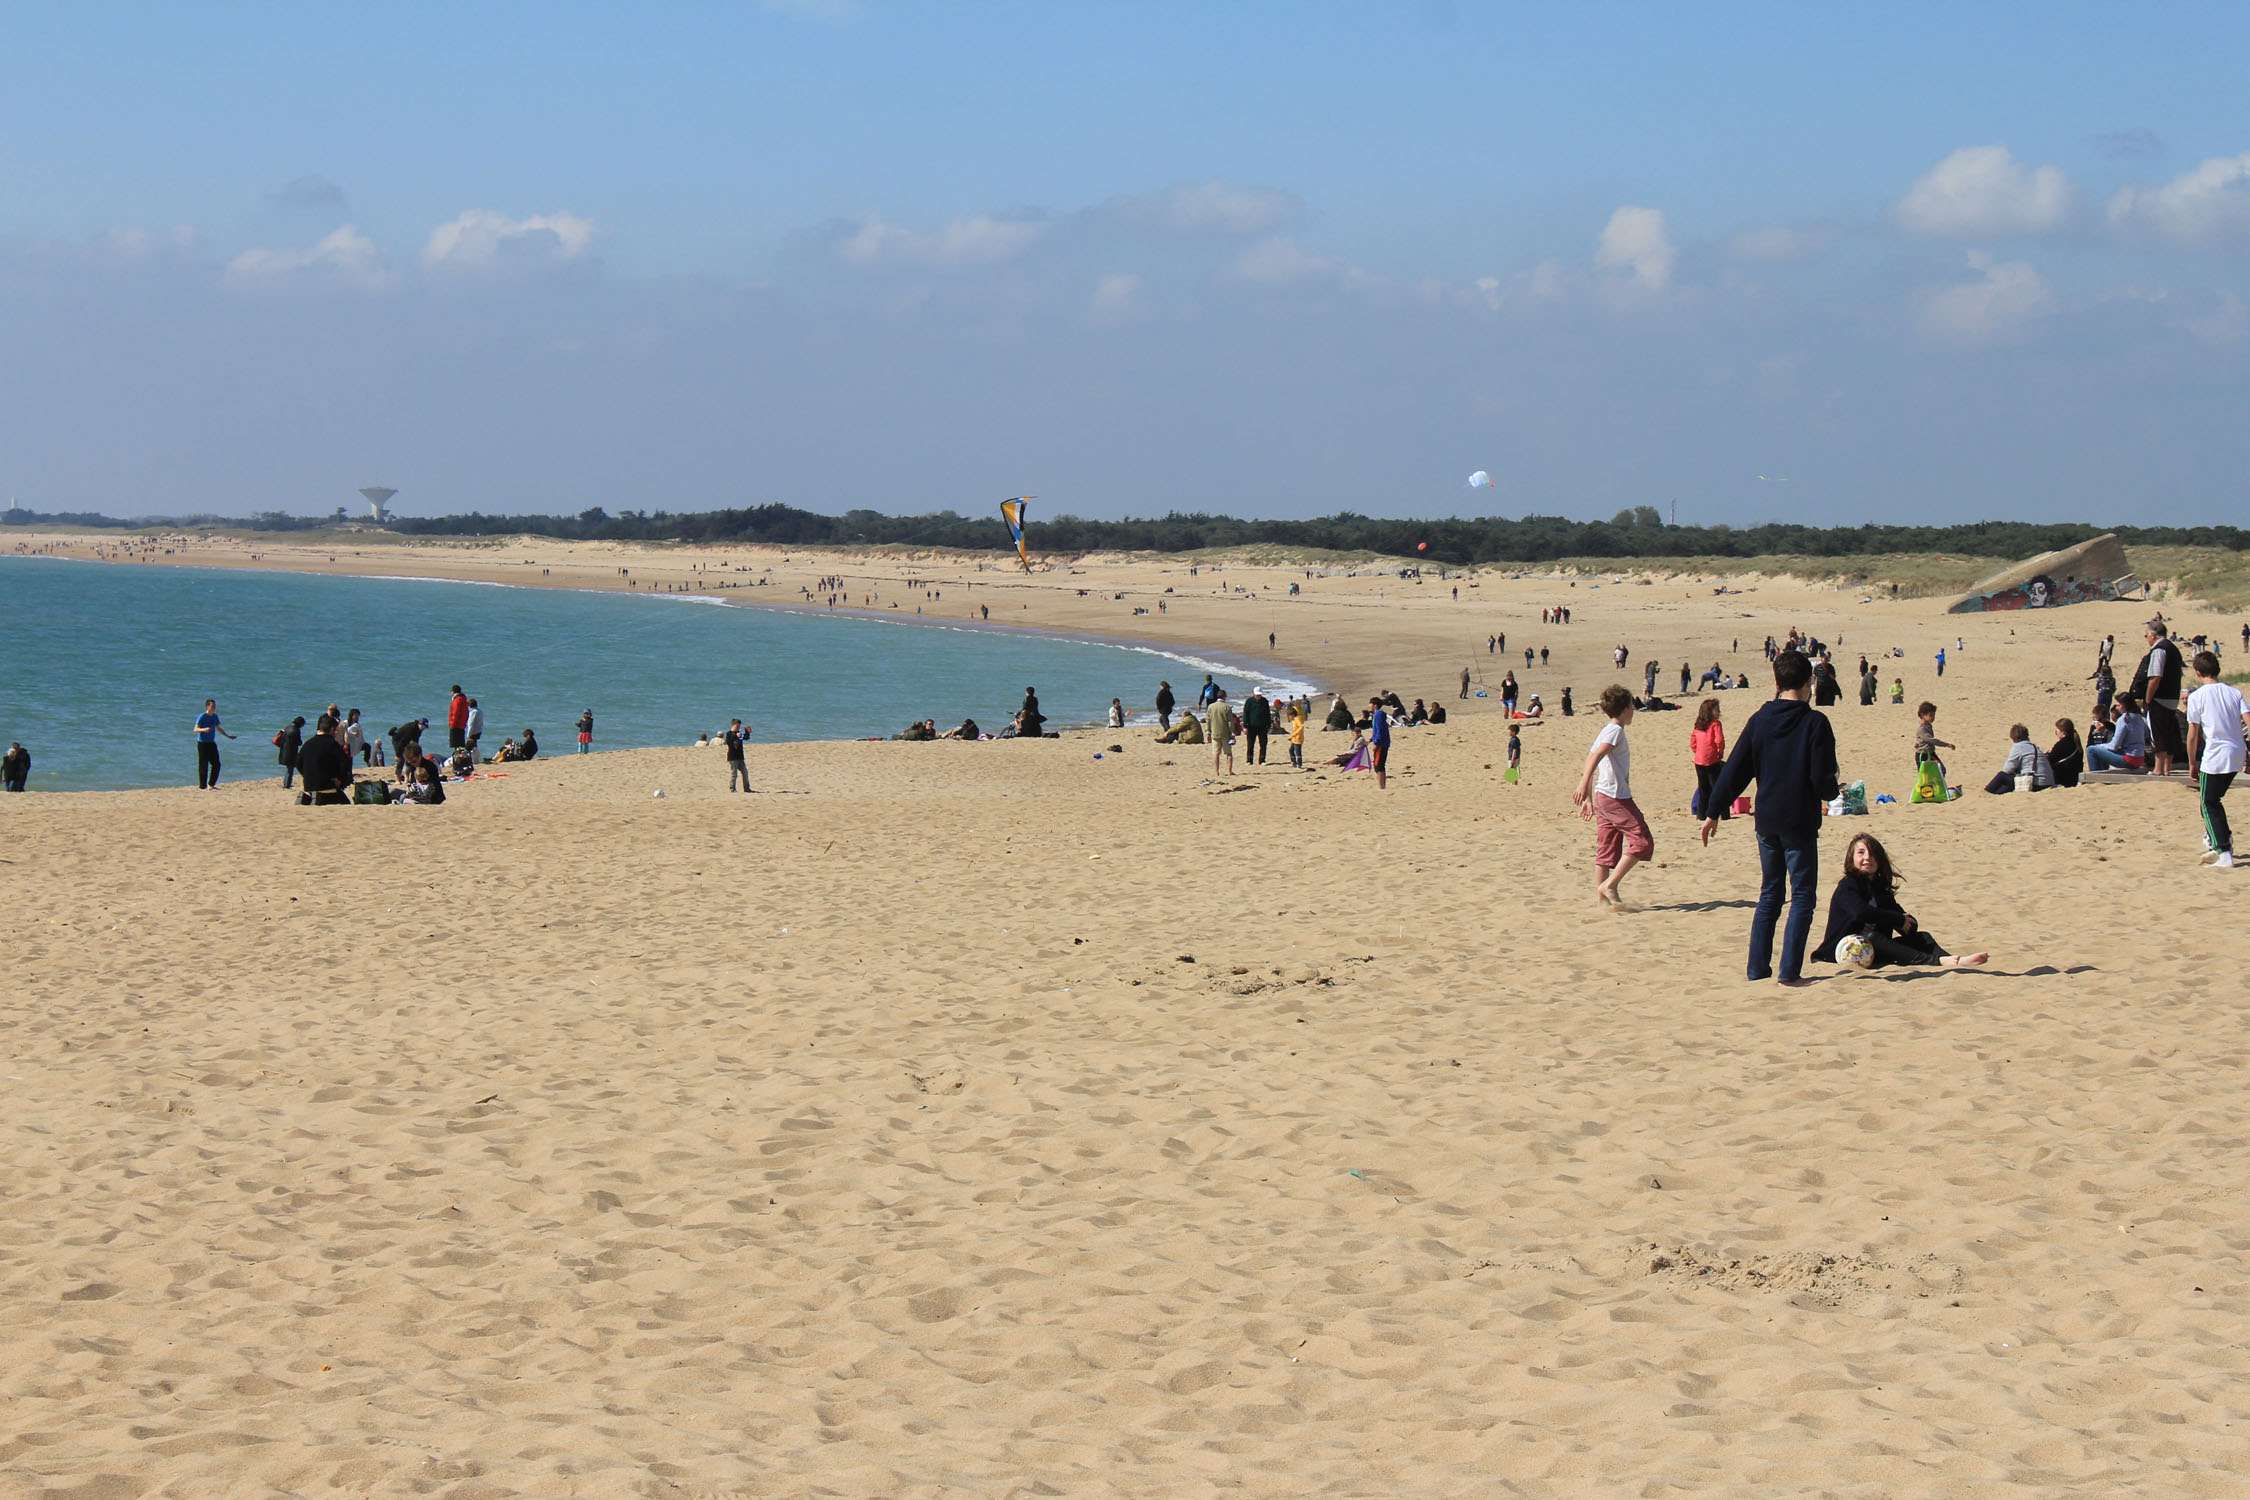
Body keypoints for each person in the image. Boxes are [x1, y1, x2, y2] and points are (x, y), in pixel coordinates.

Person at [1701, 650, 1841, 988]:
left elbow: (1735, 771)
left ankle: (1756, 970)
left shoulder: (1760, 720)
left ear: (1776, 683)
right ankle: (1789, 973)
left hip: (1766, 821)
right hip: (1799, 822)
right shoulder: (1815, 723)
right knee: (1803, 896)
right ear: (1809, 682)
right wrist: (1834, 788)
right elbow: (1823, 783)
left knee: (1771, 894)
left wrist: (1712, 812)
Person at [1812, 834, 1987, 970]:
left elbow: (1905, 922)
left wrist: (1906, 922)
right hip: (1841, 952)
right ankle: (1937, 962)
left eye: (1873, 854)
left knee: (1922, 938)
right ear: (1851, 859)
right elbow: (1861, 912)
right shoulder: (1848, 885)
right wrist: (1896, 919)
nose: (1867, 858)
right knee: (1872, 937)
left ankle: (1955, 960)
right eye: (1861, 853)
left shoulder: (1880, 889)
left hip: (1873, 952)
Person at [1573, 684, 1650, 908]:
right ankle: (1609, 886)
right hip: (1616, 797)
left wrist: (1589, 796)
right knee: (1643, 841)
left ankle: (1603, 904)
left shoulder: (1607, 729)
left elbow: (1590, 758)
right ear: (1625, 709)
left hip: (1602, 795)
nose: (1634, 710)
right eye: (1632, 706)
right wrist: (1583, 783)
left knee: (1606, 850)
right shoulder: (1615, 730)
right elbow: (1596, 755)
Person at [2185, 650, 2250, 868]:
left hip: (2215, 755)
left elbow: (2193, 734)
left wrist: (2192, 763)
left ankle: (2223, 851)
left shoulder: (2197, 696)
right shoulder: (2234, 693)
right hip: (2236, 752)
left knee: (2207, 802)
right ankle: (2221, 836)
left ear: (2198, 672)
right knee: (2215, 799)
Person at [2128, 619, 2186, 776]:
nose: (2146, 638)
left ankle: (2159, 768)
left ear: (2153, 635)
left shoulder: (2159, 649)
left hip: (2160, 697)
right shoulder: (2173, 649)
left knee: (2158, 732)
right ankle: (2166, 768)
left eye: (2146, 635)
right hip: (2172, 697)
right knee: (2169, 731)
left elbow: (2155, 677)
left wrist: (2147, 699)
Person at [298, 714, 356, 806]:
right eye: (336, 731)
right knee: (345, 802)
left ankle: (309, 799)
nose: (336, 733)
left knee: (323, 795)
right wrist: (340, 779)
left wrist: (307, 775)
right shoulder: (332, 744)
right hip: (327, 784)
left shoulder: (307, 744)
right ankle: (317, 799)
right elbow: (345, 762)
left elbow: (298, 763)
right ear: (332, 729)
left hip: (309, 784)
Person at [1984, 724, 2057, 794]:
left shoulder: (2018, 747)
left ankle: (1987, 792)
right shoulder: (2034, 747)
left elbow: (2007, 770)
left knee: (2001, 776)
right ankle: (1997, 794)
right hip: (2048, 783)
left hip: (2034, 783)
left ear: (2014, 738)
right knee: (2009, 783)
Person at [2088, 695, 2150, 773]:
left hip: (2129, 759)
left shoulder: (2123, 719)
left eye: (2119, 705)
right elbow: (2146, 736)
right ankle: (2100, 773)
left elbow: (2114, 746)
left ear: (2125, 706)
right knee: (2099, 750)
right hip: (2140, 758)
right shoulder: (2139, 718)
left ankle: (2095, 777)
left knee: (2091, 750)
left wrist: (2100, 746)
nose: (2117, 708)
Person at [1690, 698, 1727, 819]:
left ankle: (1701, 814)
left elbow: (1693, 743)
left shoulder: (1698, 726)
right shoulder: (1715, 724)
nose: (1719, 712)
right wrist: (1720, 752)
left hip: (1699, 760)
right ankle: (1724, 814)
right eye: (1717, 710)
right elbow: (1719, 740)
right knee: (1718, 787)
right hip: (1712, 760)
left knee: (1703, 788)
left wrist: (1698, 752)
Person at [194, 698, 234, 789]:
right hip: (202, 743)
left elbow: (218, 728)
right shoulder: (202, 716)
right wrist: (204, 729)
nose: (214, 707)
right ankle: (202, 786)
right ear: (208, 706)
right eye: (212, 706)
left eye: (215, 706)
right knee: (203, 764)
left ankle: (211, 784)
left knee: (216, 764)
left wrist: (228, 736)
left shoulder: (215, 716)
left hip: (211, 743)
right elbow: (195, 729)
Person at [1913, 703, 1954, 776]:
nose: (1933, 718)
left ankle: (1938, 786)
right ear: (1922, 715)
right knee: (1924, 776)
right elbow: (1931, 740)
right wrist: (1947, 744)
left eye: (1934, 715)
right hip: (1922, 755)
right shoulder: (1922, 728)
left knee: (1941, 770)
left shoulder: (1928, 725)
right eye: (1930, 715)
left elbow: (1921, 738)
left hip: (1931, 753)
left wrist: (1917, 742)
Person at [1207, 689, 1238, 776]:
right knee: (1228, 753)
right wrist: (1232, 733)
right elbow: (1230, 722)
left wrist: (1208, 732)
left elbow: (1208, 720)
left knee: (1216, 753)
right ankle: (1229, 771)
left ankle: (1216, 772)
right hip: (1225, 733)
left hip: (1215, 733)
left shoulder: (1211, 706)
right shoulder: (1226, 707)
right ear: (1225, 697)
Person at [2049, 718, 2084, 790]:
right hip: (2074, 778)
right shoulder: (2076, 743)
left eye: (2057, 730)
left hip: (2063, 779)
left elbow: (2050, 761)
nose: (2056, 732)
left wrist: (2046, 755)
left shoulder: (2061, 744)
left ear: (2063, 733)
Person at [1241, 688, 1272, 764]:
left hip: (1263, 726)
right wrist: (1245, 726)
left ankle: (1262, 760)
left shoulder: (1264, 701)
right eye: (1257, 695)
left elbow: (1268, 714)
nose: (1259, 696)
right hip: (1251, 727)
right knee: (1250, 744)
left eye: (1260, 695)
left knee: (1263, 744)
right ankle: (1249, 760)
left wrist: (1269, 725)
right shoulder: (1249, 701)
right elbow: (1245, 714)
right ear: (1254, 694)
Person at [1367, 697, 1391, 789]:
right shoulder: (1377, 715)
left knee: (1379, 765)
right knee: (1378, 765)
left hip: (1381, 743)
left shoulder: (1378, 715)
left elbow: (1380, 730)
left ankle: (1381, 786)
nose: (1369, 706)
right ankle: (1381, 785)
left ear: (1375, 705)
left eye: (1370, 704)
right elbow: (1376, 730)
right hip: (1381, 742)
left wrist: (1376, 743)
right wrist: (1370, 740)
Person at [724, 717, 754, 792]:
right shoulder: (729, 733)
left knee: (745, 772)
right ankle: (732, 788)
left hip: (740, 757)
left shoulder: (739, 733)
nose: (738, 727)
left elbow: (745, 738)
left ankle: (747, 788)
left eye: (739, 726)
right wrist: (735, 736)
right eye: (737, 726)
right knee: (734, 774)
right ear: (733, 725)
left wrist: (747, 732)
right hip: (733, 757)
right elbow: (728, 742)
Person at [277, 716, 305, 790]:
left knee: (289, 768)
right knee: (291, 769)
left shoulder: (288, 728)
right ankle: (287, 785)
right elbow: (299, 742)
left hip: (284, 750)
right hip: (291, 752)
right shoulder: (296, 730)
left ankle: (286, 784)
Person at [447, 685, 470, 756]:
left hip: (456, 725)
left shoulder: (456, 700)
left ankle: (458, 757)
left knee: (456, 744)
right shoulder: (463, 700)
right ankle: (461, 756)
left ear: (453, 692)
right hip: (462, 725)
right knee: (460, 744)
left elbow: (455, 713)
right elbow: (466, 713)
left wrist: (452, 724)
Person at [1287, 699, 1306, 768]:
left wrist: (1294, 734)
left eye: (1290, 716)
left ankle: (1299, 764)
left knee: (1297, 751)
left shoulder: (1297, 719)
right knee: (1291, 750)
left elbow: (1301, 726)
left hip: (1298, 738)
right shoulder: (1294, 720)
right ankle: (1293, 763)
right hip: (1294, 738)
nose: (1289, 717)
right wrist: (1292, 736)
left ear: (1292, 715)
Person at [465, 697, 484, 765]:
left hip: (473, 731)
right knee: (474, 745)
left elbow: (471, 724)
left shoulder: (473, 712)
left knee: (471, 746)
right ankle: (475, 759)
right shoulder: (480, 711)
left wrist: (468, 735)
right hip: (479, 730)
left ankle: (473, 760)